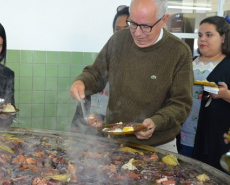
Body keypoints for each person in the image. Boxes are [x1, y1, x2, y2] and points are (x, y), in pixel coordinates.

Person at [69, 0, 193, 152]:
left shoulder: (179, 51)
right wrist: (81, 81)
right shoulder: (118, 40)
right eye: (133, 24)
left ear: (164, 20)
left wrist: (156, 122)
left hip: (159, 145)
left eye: (146, 27)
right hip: (116, 142)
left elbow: (181, 103)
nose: (137, 33)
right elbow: (95, 74)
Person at [70, 5, 129, 135]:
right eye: (117, 30)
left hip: (128, 137)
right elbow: (87, 96)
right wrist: (76, 127)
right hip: (96, 138)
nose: (120, 35)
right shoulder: (105, 61)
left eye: (126, 29)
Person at [179, 16, 230, 158]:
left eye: (209, 35)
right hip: (184, 135)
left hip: (214, 141)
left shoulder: (227, 64)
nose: (202, 39)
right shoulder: (189, 62)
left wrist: (226, 95)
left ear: (223, 37)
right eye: (200, 35)